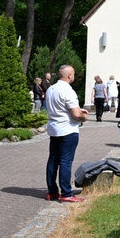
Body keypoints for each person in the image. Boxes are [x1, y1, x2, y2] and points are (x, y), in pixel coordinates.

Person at [45, 65, 88, 202]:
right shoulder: (68, 90)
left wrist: (78, 111)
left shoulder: (51, 89)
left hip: (54, 128)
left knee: (53, 160)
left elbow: (61, 108)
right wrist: (83, 117)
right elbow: (75, 114)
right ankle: (66, 193)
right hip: (67, 129)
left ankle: (52, 191)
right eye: (73, 73)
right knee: (65, 161)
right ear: (69, 75)